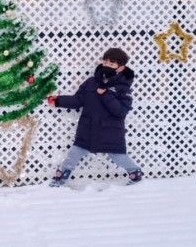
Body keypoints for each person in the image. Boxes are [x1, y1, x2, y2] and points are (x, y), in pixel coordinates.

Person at [47, 47, 142, 186]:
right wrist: (58, 101)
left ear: (120, 68)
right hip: (88, 129)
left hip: (110, 132)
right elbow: (78, 100)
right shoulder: (91, 82)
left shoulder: (123, 88)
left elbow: (121, 111)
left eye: (111, 64)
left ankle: (135, 172)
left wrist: (105, 94)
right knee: (74, 153)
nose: (106, 65)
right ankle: (62, 176)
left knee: (118, 157)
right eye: (105, 62)